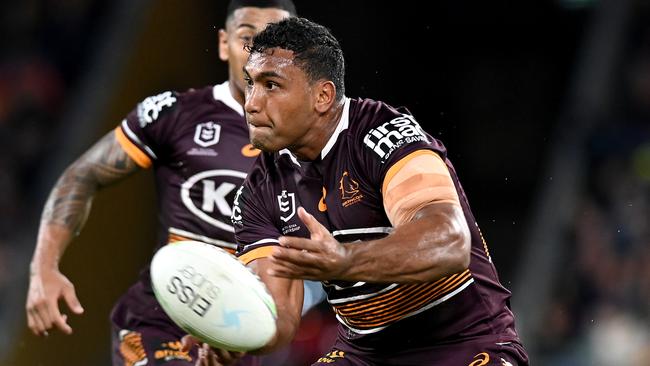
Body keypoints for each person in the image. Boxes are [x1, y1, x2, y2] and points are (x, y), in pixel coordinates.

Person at [25, 2, 325, 365]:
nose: (261, 54)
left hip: (234, 340)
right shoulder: (175, 114)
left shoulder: (316, 149)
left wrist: (252, 340)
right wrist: (43, 266)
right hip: (157, 322)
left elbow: (287, 309)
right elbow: (82, 174)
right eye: (248, 39)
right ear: (223, 43)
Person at [223, 17, 530, 365]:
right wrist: (229, 333)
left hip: (466, 343)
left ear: (323, 96)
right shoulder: (257, 194)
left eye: (271, 85)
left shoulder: (386, 136)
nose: (251, 103)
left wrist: (346, 260)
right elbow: (279, 316)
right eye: (250, 83)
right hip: (366, 355)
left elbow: (449, 242)